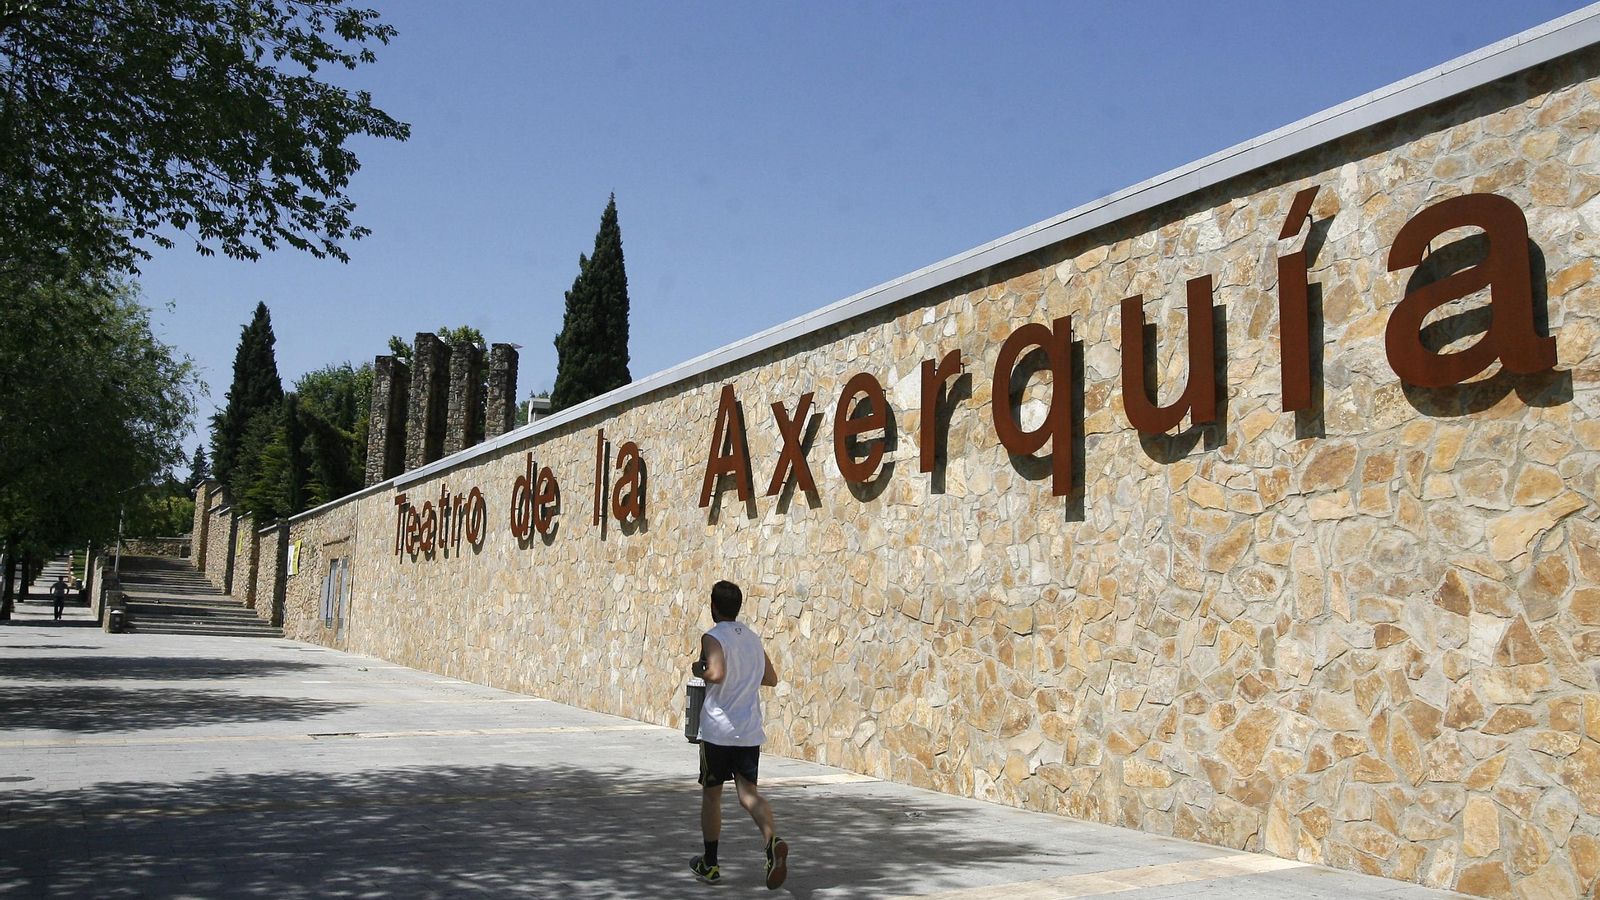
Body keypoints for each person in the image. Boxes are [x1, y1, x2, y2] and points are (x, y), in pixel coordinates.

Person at [689, 580, 789, 889]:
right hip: (748, 731)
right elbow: (770, 678)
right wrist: (745, 677)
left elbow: (716, 673)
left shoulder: (713, 636)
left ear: (714, 606)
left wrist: (699, 669)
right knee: (748, 795)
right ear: (738, 607)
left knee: (712, 795)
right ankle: (772, 842)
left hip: (719, 730)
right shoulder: (753, 639)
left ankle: (710, 863)